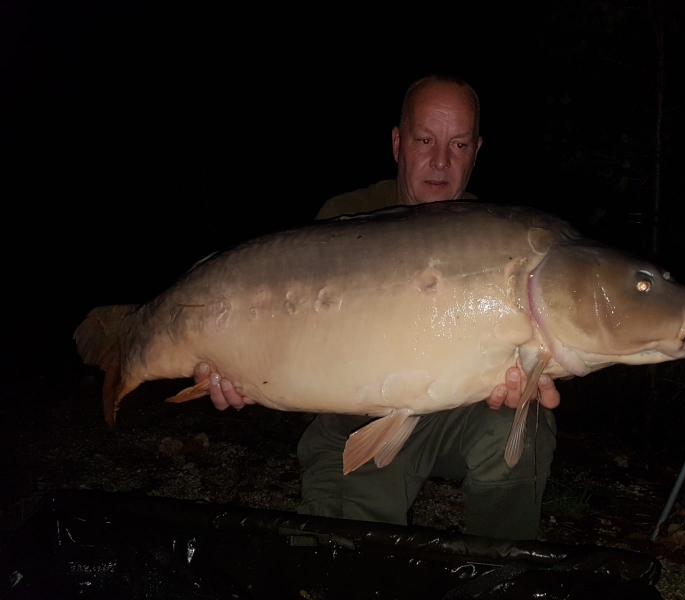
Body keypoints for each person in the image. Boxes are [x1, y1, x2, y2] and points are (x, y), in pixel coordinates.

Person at [193, 75, 560, 540]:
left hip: (457, 418)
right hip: (356, 424)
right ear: (397, 143)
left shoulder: (497, 234)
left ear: (476, 151)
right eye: (425, 140)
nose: (441, 161)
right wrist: (239, 370)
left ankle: (499, 573)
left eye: (459, 144)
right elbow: (287, 344)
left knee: (522, 429)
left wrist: (529, 377)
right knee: (338, 563)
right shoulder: (345, 219)